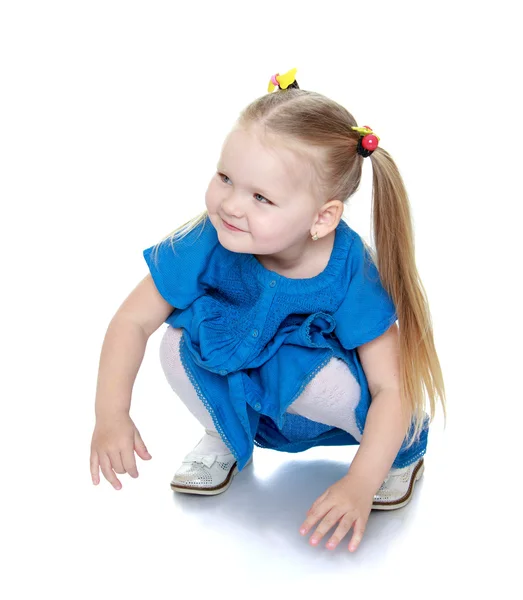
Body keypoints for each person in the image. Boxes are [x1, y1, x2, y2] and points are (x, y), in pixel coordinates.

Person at [90, 68, 446, 553]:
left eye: (261, 197)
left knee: (325, 378)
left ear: (322, 218)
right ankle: (226, 435)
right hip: (256, 395)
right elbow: (131, 321)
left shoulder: (347, 267)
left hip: (337, 406)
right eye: (225, 178)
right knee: (176, 344)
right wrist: (111, 414)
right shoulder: (209, 237)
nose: (231, 206)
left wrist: (360, 482)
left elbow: (392, 386)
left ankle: (397, 453)